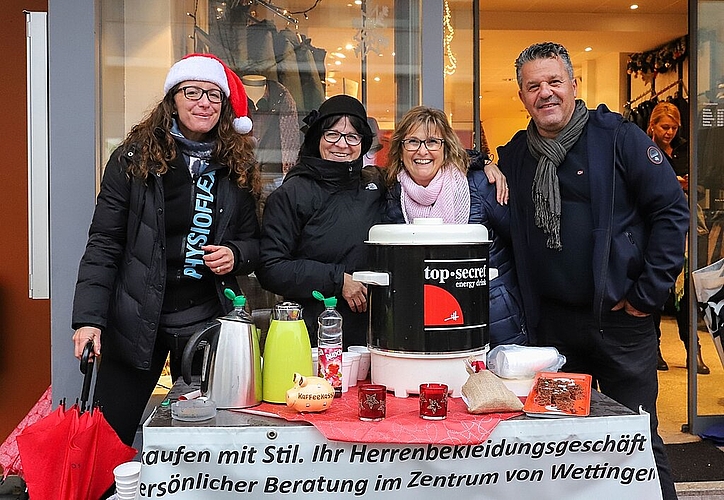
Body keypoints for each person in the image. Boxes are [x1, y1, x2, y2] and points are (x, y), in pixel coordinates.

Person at [497, 42, 688, 500]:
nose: (545, 93)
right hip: (555, 332)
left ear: (573, 84)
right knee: (563, 443)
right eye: (533, 86)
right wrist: (486, 166)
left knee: (635, 438)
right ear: (522, 97)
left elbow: (671, 212)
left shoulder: (619, 137)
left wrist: (647, 296)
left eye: (554, 81)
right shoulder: (517, 156)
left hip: (622, 325)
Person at [71, 53, 261, 448]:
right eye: (192, 92)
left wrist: (236, 255)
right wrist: (88, 320)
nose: (203, 103)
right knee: (107, 442)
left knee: (208, 443)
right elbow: (104, 243)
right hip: (137, 319)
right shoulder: (133, 158)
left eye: (213, 95)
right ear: (172, 98)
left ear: (224, 107)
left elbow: (253, 240)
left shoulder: (235, 164)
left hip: (206, 319)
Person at [383, 106, 527, 347]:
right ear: (400, 149)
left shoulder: (481, 184)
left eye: (432, 142)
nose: (422, 151)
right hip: (428, 321)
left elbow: (521, 243)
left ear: (446, 147)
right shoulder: (392, 196)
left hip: (494, 319)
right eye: (413, 142)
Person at [256, 95, 385, 347]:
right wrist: (338, 279)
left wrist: (483, 166)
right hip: (314, 335)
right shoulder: (292, 194)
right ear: (318, 138)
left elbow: (425, 166)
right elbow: (271, 267)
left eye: (352, 136)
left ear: (363, 143)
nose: (342, 144)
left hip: (374, 335)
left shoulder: (376, 186)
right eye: (332, 134)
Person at [647, 101, 709, 374]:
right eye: (665, 127)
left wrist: (687, 182)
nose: (670, 132)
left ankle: (692, 349)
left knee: (687, 294)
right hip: (655, 225)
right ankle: (654, 348)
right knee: (657, 291)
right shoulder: (644, 150)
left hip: (684, 225)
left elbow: (703, 180)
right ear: (653, 125)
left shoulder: (686, 149)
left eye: (674, 127)